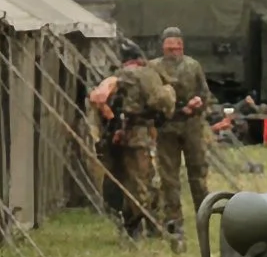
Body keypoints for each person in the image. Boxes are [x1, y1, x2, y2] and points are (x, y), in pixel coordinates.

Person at [87, 39, 176, 240]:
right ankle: (154, 226)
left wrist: (105, 104)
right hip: (144, 134)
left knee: (134, 184)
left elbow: (99, 97)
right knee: (146, 180)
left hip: (132, 136)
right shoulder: (152, 76)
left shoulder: (128, 75)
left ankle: (136, 228)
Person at [150, 27, 211, 244]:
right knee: (169, 176)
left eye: (177, 44)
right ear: (163, 46)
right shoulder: (154, 68)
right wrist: (174, 111)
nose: (174, 48)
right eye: (170, 45)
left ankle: (204, 214)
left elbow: (205, 94)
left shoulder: (193, 66)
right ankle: (173, 220)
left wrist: (198, 104)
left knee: (198, 171)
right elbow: (152, 99)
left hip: (192, 127)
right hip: (167, 128)